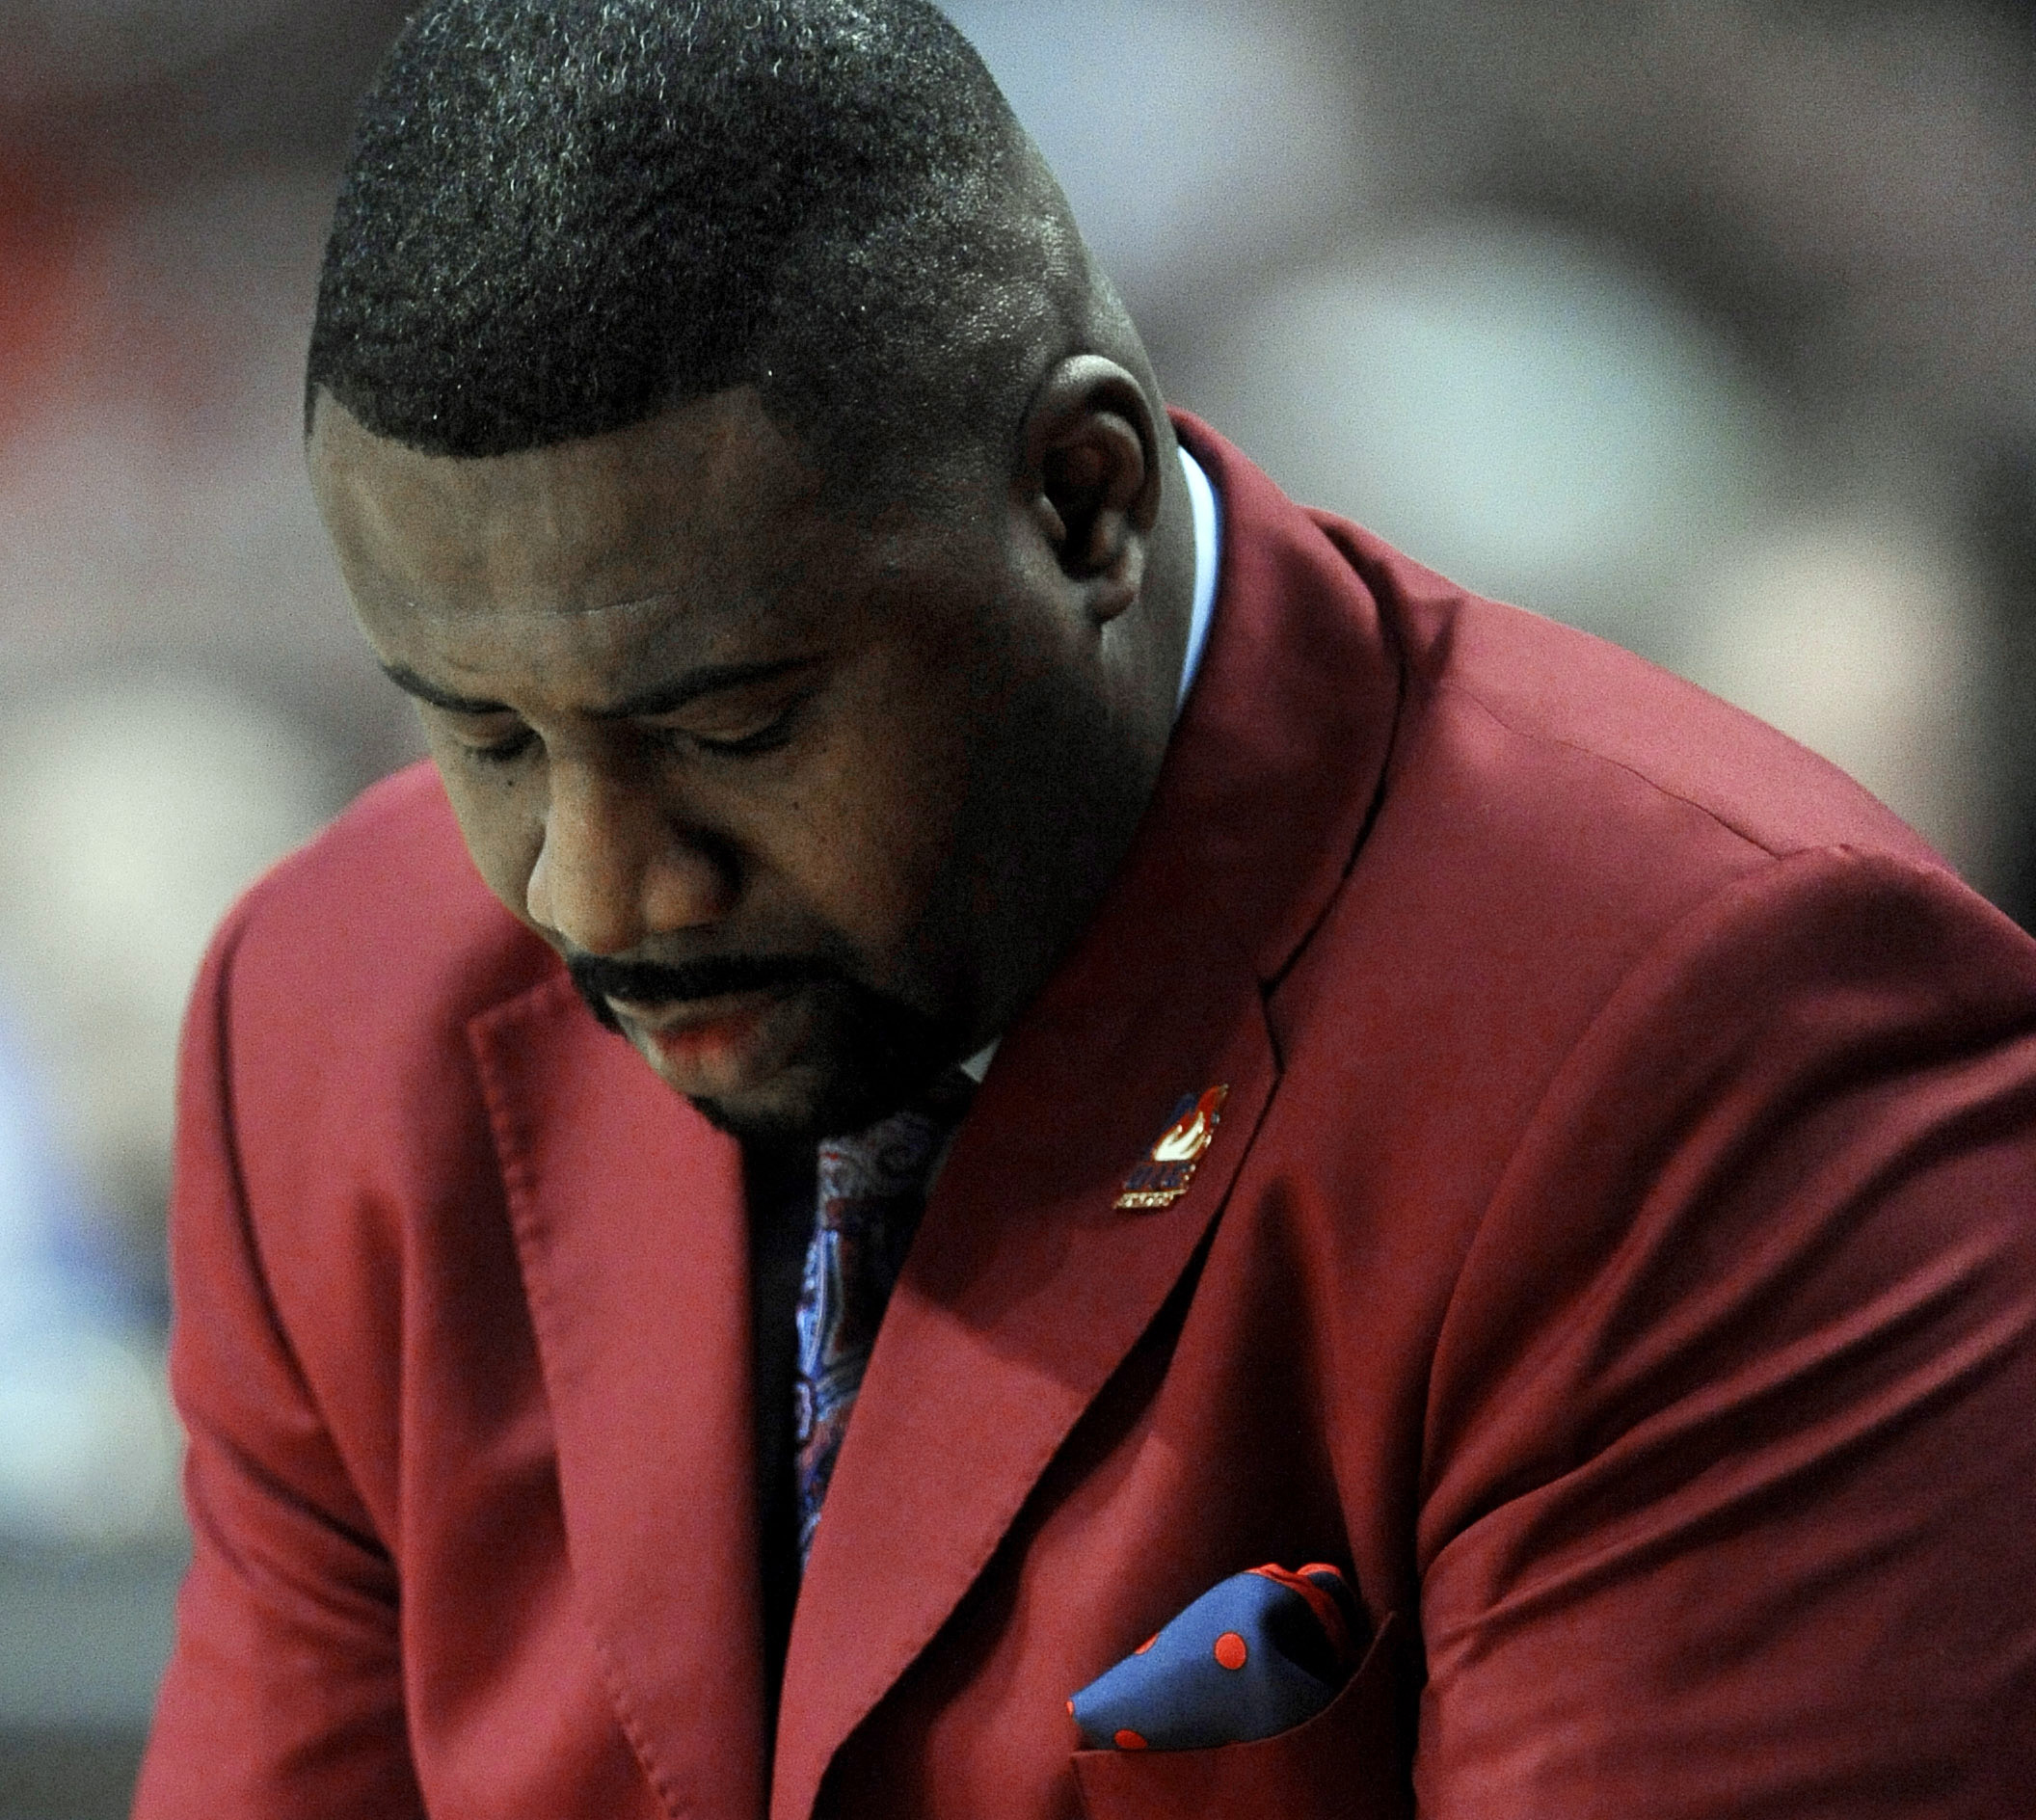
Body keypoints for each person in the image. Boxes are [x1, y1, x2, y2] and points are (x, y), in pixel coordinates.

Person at [133, 3, 2036, 1815]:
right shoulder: (332, 1021)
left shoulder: (1725, 1039)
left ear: (1082, 498)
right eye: (483, 734)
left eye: (733, 724)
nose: (596, 884)